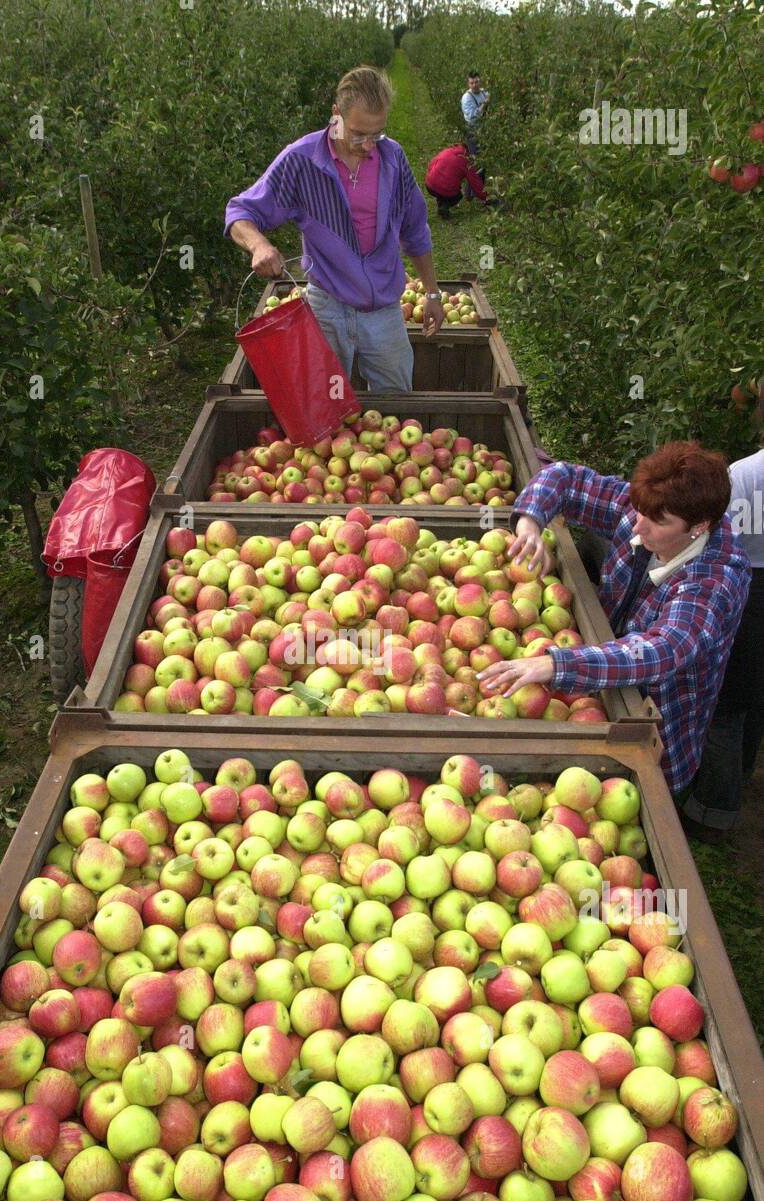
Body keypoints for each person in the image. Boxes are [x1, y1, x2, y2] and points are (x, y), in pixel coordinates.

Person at [480, 443, 752, 797]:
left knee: (645, 802)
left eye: (658, 521)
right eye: (639, 510)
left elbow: (663, 648)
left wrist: (556, 664)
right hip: (600, 682)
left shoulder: (715, 580)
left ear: (699, 527)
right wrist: (530, 523)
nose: (639, 524)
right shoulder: (647, 510)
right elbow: (564, 478)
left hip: (658, 723)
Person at [224, 66, 444, 392]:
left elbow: (415, 229)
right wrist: (258, 245)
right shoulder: (302, 161)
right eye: (358, 133)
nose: (369, 144)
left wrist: (433, 292)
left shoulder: (392, 158)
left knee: (397, 408)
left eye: (377, 133)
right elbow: (240, 211)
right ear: (336, 115)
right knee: (325, 410)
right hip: (327, 308)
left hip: (384, 310)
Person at [680, 446, 764, 842]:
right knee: (752, 697)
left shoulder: (744, 474)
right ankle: (741, 775)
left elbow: (712, 538)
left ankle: (712, 813)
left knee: (725, 706)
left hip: (747, 588)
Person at [425, 142, 487, 219]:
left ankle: (442, 205)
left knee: (442, 189)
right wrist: (487, 197)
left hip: (430, 185)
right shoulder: (466, 160)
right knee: (458, 196)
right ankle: (445, 205)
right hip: (446, 189)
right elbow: (475, 183)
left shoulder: (447, 151)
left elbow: (431, 164)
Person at [461, 72, 489, 162]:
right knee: (477, 160)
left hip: (485, 130)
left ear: (480, 82)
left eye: (476, 82)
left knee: (487, 157)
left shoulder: (484, 92)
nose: (474, 85)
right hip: (474, 132)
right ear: (468, 84)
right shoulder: (466, 98)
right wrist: (484, 104)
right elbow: (472, 117)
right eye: (471, 83)